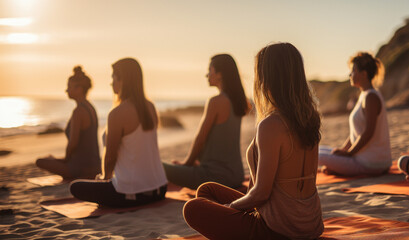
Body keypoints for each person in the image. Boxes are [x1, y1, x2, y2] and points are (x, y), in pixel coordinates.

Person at [183, 43, 324, 239]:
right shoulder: (309, 117)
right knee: (207, 189)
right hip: (309, 223)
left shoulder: (272, 124)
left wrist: (230, 208)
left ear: (268, 77)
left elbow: (261, 194)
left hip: (278, 230)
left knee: (193, 208)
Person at [69, 58, 167, 208]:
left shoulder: (118, 113)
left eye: (113, 77)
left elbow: (110, 157)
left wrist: (104, 178)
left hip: (132, 193)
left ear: (123, 81)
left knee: (75, 187)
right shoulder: (150, 107)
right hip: (159, 189)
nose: (111, 82)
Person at [163, 54, 251, 190]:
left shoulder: (216, 101)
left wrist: (186, 164)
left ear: (220, 74)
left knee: (158, 166)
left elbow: (200, 139)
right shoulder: (239, 101)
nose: (207, 75)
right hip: (236, 175)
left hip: (214, 177)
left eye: (210, 70)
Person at [318, 52, 391, 176]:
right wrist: (343, 150)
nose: (350, 75)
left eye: (353, 71)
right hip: (363, 158)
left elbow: (369, 132)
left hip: (372, 163)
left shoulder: (371, 97)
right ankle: (336, 169)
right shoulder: (364, 95)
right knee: (318, 149)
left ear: (364, 74)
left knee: (317, 156)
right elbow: (356, 133)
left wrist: (349, 154)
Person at [36, 66, 100, 179]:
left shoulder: (78, 111)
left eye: (69, 87)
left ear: (79, 89)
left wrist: (65, 159)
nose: (66, 90)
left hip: (81, 169)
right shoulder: (90, 108)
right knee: (52, 159)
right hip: (95, 166)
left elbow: (73, 143)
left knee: (40, 161)